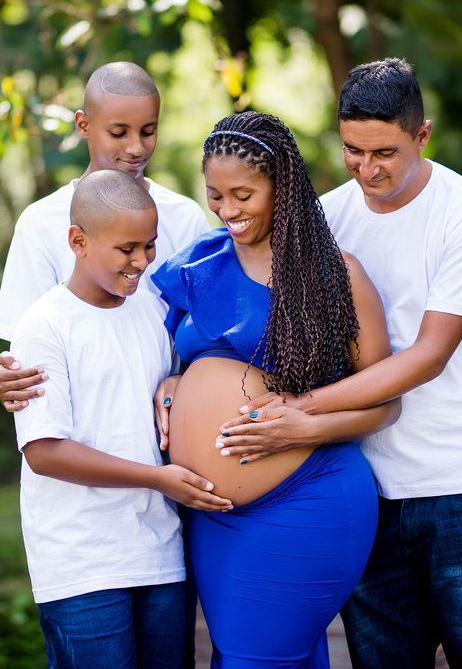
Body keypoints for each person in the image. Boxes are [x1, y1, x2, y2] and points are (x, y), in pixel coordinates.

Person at [220, 59, 462, 669]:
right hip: (363, 489)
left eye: (384, 152)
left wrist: (303, 410)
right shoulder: (326, 219)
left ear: (422, 136)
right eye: (352, 151)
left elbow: (428, 355)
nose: (367, 169)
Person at [152, 111, 400, 667]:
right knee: (254, 654)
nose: (228, 210)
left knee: (253, 659)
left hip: (305, 496)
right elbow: (173, 354)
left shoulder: (333, 275)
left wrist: (304, 425)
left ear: (280, 187)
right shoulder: (197, 265)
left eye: (243, 194)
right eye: (215, 195)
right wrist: (172, 381)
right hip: (210, 511)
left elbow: (385, 400)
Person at [10, 169, 232, 669]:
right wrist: (158, 479)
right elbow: (44, 452)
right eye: (126, 249)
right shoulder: (43, 327)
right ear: (78, 241)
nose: (142, 262)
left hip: (159, 552)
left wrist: (178, 383)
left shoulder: (151, 312)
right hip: (82, 561)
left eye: (150, 246)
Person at [0, 62, 210, 418]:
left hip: (171, 426)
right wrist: (4, 371)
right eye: (119, 133)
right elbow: (25, 348)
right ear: (84, 126)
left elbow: (206, 333)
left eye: (148, 131)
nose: (137, 148)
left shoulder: (185, 218)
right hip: (84, 424)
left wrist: (182, 381)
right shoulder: (40, 223)